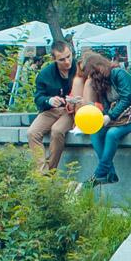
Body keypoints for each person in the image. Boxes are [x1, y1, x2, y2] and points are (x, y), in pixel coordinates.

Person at [80, 48, 131, 185]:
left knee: (112, 134)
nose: (91, 78)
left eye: (92, 74)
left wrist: (110, 116)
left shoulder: (118, 74)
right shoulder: (102, 81)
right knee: (95, 132)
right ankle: (110, 173)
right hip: (118, 120)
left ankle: (99, 174)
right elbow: (106, 106)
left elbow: (126, 98)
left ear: (98, 68)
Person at [26, 37, 79, 170]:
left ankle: (50, 171)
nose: (67, 62)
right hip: (51, 110)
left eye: (69, 57)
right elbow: (38, 98)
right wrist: (49, 100)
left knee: (57, 131)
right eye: (62, 59)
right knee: (32, 133)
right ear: (53, 59)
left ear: (72, 52)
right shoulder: (45, 74)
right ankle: (42, 172)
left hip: (71, 111)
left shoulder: (79, 68)